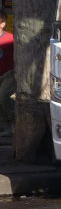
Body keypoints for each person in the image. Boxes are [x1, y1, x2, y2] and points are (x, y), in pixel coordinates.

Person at [0, 9, 15, 137]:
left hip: (9, 73)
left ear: (2, 24)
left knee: (4, 97)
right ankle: (5, 127)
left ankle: (15, 119)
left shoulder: (11, 37)